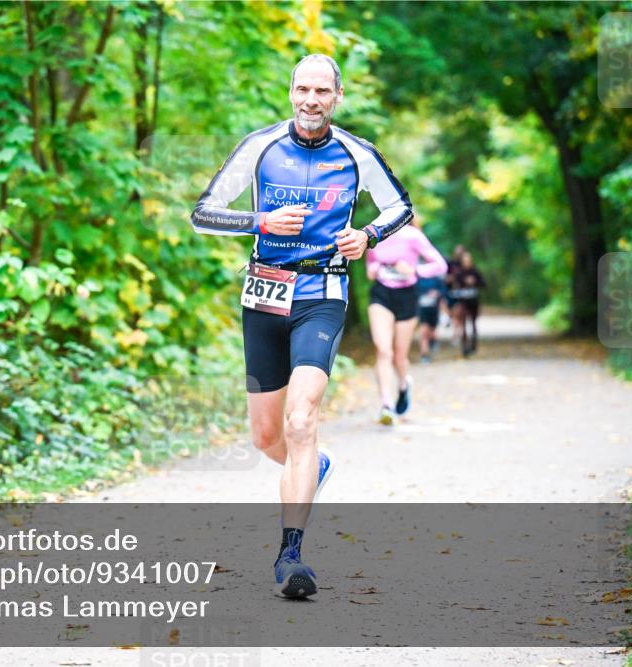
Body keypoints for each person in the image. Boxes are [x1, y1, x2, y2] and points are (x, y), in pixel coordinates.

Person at [191, 54, 413, 598]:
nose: (311, 100)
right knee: (268, 436)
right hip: (265, 292)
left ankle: (291, 556)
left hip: (323, 292)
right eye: (302, 89)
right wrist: (258, 221)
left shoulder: (357, 153)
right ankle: (316, 467)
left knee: (301, 418)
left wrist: (368, 237)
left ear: (337, 97)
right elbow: (202, 213)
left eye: (322, 91)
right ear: (291, 92)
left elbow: (400, 207)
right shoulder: (260, 146)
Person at [365, 213, 446, 425]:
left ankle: (403, 384)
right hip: (381, 294)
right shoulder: (374, 234)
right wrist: (373, 270)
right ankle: (386, 404)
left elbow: (440, 265)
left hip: (407, 296)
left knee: (399, 357)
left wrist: (415, 270)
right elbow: (370, 266)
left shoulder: (413, 236)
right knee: (383, 350)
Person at [450, 251, 486, 357]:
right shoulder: (459, 273)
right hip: (463, 301)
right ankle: (464, 346)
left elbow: (483, 284)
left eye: (468, 260)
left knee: (473, 323)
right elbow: (454, 285)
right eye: (465, 260)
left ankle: (474, 345)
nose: (467, 262)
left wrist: (474, 282)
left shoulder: (475, 271)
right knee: (463, 323)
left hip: (473, 300)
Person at [417, 271, 447, 363]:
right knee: (423, 332)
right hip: (422, 310)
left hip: (434, 309)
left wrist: (437, 293)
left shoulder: (436, 279)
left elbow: (443, 292)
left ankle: (433, 342)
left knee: (432, 331)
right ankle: (424, 354)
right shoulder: (418, 279)